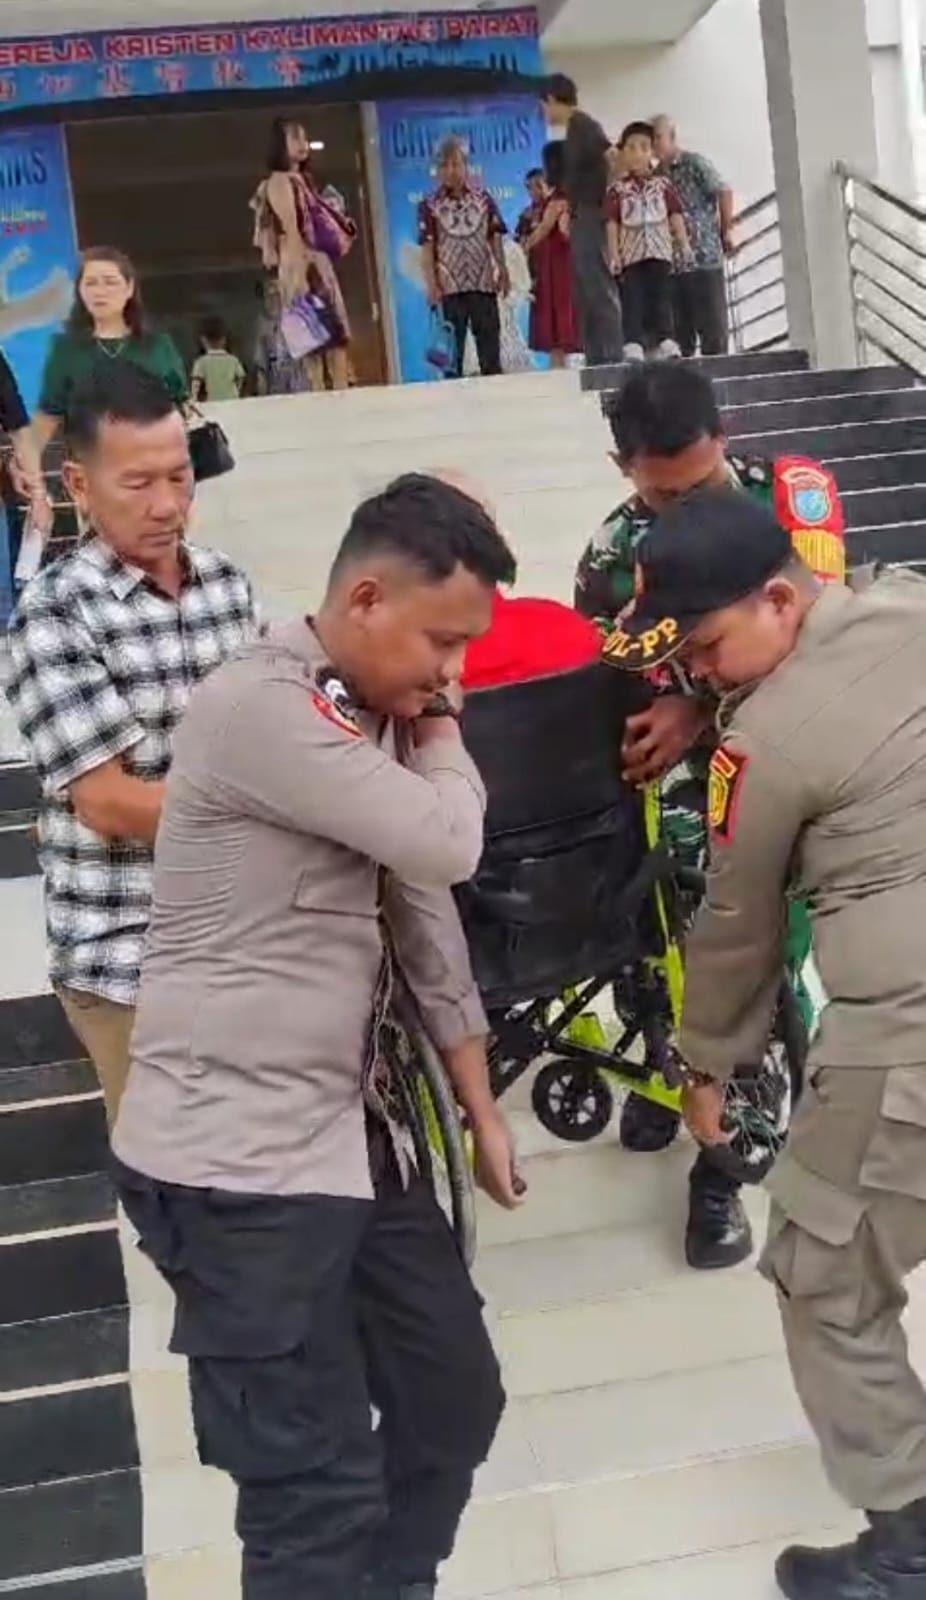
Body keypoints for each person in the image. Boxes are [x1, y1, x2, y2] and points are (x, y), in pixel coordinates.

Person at [110, 473, 521, 1600]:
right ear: (368, 598)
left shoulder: (372, 715)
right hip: (235, 1167)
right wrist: (441, 723)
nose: (451, 675)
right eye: (443, 642)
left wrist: (479, 1106)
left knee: (451, 1399)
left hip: (355, 1137)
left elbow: (424, 917)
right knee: (313, 1495)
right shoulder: (261, 706)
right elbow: (445, 842)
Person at [612, 489, 926, 1600]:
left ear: (780, 602)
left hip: (908, 1035)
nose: (698, 676)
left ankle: (909, 1551)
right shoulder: (907, 604)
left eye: (705, 648)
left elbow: (737, 925)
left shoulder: (763, 742)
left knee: (820, 1274)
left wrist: (703, 1066)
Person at [574, 363, 846, 1271]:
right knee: (660, 930)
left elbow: (819, 637)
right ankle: (666, 1069)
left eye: (701, 483)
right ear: (623, 469)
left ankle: (723, 1167)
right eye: (664, 494)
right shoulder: (613, 556)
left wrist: (698, 702)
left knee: (751, 948)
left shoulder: (792, 503)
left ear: (724, 438)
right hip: (677, 785)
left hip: (791, 755)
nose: (686, 506)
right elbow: (611, 677)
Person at [4, 365, 257, 1126]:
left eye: (179, 477)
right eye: (139, 483)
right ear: (79, 486)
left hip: (248, 929)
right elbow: (111, 803)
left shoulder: (227, 587)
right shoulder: (54, 617)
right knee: (185, 1171)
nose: (167, 505)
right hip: (129, 952)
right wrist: (274, 811)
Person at [32, 247, 187, 455]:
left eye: (110, 282)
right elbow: (47, 415)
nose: (100, 291)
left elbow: (180, 406)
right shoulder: (66, 349)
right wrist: (26, 462)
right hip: (91, 464)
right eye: (90, 283)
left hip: (153, 460)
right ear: (80, 291)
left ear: (129, 288)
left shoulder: (157, 345)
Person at [251, 118, 353, 393]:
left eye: (304, 137)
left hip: (315, 262)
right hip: (302, 263)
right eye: (295, 137)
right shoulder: (279, 181)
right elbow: (292, 228)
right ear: (280, 144)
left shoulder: (303, 181)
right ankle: (325, 396)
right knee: (314, 341)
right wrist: (301, 275)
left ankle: (340, 395)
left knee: (334, 340)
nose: (302, 143)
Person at [541, 73, 624, 367]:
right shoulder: (573, 130)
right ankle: (595, 354)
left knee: (597, 284)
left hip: (591, 212)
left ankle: (611, 353)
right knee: (584, 288)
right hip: (579, 212)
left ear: (552, 99)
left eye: (544, 106)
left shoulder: (585, 125)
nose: (544, 113)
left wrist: (605, 197)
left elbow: (613, 156)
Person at [418, 137, 510, 380]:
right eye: (445, 165)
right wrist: (431, 284)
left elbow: (495, 236)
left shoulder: (484, 199)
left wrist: (503, 270)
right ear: (438, 171)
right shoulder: (429, 205)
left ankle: (497, 395)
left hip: (483, 284)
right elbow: (427, 247)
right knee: (452, 359)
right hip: (450, 289)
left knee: (490, 354)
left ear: (466, 166)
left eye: (456, 164)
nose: (451, 171)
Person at [606, 121, 692, 361]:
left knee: (662, 296)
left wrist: (683, 242)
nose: (637, 154)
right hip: (631, 254)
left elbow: (675, 214)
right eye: (631, 148)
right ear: (623, 153)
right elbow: (612, 223)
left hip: (659, 250)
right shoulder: (617, 190)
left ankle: (667, 340)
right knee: (633, 298)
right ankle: (633, 343)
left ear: (652, 152)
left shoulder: (663, 185)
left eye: (643, 147)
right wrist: (614, 254)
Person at [652, 116, 735, 358]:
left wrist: (727, 229)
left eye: (658, 137)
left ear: (672, 136)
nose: (655, 144)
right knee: (681, 334)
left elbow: (723, 190)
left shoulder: (694, 163)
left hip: (704, 257)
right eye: (652, 138)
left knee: (713, 329)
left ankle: (719, 374)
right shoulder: (655, 176)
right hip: (673, 264)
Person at [517, 142, 580, 370]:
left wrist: (524, 247)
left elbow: (547, 229)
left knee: (563, 317)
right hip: (548, 267)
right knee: (554, 326)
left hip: (562, 267)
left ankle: (567, 366)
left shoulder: (563, 198)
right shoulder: (550, 201)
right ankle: (557, 366)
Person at [191, 315, 246, 403]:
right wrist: (237, 391)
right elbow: (241, 377)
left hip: (213, 401)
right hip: (232, 400)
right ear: (224, 339)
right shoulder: (233, 360)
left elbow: (196, 383)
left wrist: (194, 399)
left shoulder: (201, 362)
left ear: (203, 340)